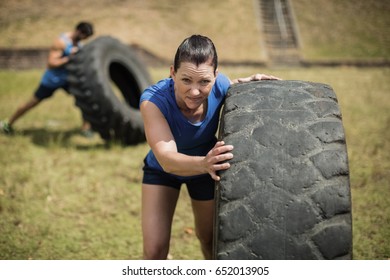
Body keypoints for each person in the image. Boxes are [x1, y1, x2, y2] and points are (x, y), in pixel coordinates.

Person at [140, 34, 280, 260]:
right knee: (154, 252)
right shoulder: (153, 101)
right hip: (163, 171)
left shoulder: (221, 85)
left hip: (208, 171)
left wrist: (252, 83)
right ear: (172, 72)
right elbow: (167, 158)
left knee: (209, 239)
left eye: (204, 82)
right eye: (186, 80)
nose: (195, 92)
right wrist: (204, 163)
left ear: (215, 76)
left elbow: (233, 85)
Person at [0, 21, 94, 136]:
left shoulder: (78, 44)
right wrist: (69, 58)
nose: (84, 39)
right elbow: (51, 63)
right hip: (53, 80)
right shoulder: (61, 42)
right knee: (32, 102)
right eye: (84, 36)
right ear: (79, 31)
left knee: (84, 98)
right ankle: (7, 124)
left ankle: (85, 128)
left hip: (69, 79)